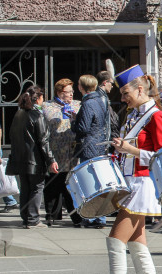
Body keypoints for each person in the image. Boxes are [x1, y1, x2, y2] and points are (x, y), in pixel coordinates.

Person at [90, 65, 162, 274]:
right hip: (130, 183)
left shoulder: (156, 116)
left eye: (126, 93)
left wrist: (131, 150)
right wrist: (121, 149)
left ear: (139, 89)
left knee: (115, 240)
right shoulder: (134, 114)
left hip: (143, 184)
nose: (122, 98)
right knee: (138, 246)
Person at [6, 86, 59, 229]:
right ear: (39, 98)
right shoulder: (37, 115)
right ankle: (33, 219)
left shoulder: (19, 114)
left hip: (21, 158)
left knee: (26, 188)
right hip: (34, 159)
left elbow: (13, 135)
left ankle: (26, 218)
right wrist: (51, 160)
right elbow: (43, 140)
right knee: (36, 188)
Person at [72, 74, 112, 228]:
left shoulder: (88, 103)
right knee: (98, 182)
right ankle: (99, 217)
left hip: (89, 147)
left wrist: (73, 123)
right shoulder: (99, 101)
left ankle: (92, 217)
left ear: (81, 87)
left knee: (89, 183)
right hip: (99, 145)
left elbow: (83, 128)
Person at [43, 78, 82, 227]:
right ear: (59, 92)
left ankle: (76, 217)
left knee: (71, 186)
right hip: (55, 152)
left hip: (72, 152)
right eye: (68, 92)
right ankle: (51, 216)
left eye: (72, 91)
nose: (71, 94)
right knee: (52, 185)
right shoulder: (47, 106)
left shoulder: (78, 105)